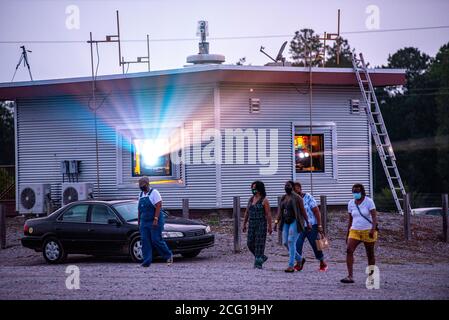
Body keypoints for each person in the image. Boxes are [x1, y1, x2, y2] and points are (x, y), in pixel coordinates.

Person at [341, 183, 378, 283]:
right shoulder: (351, 203)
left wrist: (373, 229)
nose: (355, 193)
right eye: (354, 192)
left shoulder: (369, 201)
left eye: (357, 191)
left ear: (362, 192)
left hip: (368, 230)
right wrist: (347, 233)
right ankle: (350, 276)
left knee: (370, 254)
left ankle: (372, 277)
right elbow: (350, 219)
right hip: (354, 230)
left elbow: (374, 217)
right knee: (349, 250)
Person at [274, 181, 310, 272]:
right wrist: (276, 222)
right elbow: (280, 211)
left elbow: (303, 211)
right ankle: (300, 259)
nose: (287, 187)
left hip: (295, 221)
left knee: (291, 241)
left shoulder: (298, 198)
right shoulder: (283, 198)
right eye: (285, 186)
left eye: (288, 185)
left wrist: (308, 222)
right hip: (286, 221)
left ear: (292, 187)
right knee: (285, 242)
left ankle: (291, 266)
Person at [137, 176, 173, 267]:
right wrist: (139, 221)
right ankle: (146, 261)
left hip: (155, 220)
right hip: (144, 221)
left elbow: (158, 206)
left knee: (156, 240)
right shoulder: (140, 195)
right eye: (140, 185)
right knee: (145, 241)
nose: (142, 187)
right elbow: (139, 209)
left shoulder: (154, 193)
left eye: (143, 185)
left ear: (148, 184)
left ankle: (168, 255)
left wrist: (156, 219)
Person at [294, 182, 328, 272]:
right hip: (300, 227)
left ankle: (322, 262)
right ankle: (299, 262)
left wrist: (320, 225)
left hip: (312, 225)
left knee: (316, 244)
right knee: (297, 244)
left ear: (300, 188)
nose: (295, 190)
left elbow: (316, 211)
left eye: (296, 188)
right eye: (293, 189)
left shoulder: (308, 197)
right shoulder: (293, 199)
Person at [243, 181, 273, 269]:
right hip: (252, 223)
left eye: (255, 188)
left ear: (259, 189)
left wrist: (270, 226)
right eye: (252, 188)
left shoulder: (264, 200)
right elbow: (247, 212)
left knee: (259, 243)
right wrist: (244, 223)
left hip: (261, 223)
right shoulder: (251, 199)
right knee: (250, 243)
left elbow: (268, 214)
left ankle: (258, 263)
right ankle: (261, 257)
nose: (253, 190)